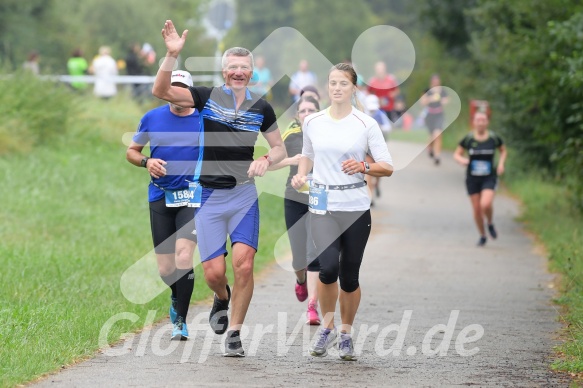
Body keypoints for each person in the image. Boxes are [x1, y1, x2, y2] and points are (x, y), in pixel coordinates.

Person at [152, 20, 286, 357]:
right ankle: (221, 297)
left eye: (245, 68)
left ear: (252, 74)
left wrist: (266, 160)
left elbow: (280, 148)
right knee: (214, 273)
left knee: (244, 264)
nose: (238, 72)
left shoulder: (262, 108)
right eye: (233, 67)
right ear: (224, 72)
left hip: (243, 194)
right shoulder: (207, 97)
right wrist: (171, 57)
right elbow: (162, 92)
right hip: (209, 196)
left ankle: (235, 334)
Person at [291, 63, 394, 361]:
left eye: (343, 84)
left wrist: (363, 166)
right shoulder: (314, 122)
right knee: (327, 269)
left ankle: (346, 333)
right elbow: (307, 156)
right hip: (322, 205)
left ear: (353, 88)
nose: (337, 88)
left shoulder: (366, 124)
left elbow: (387, 166)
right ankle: (327, 326)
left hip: (355, 208)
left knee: (349, 276)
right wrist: (301, 176)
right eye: (332, 83)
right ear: (327, 87)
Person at [126, 70, 200, 340]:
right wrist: (147, 161)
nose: (177, 92)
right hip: (160, 195)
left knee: (184, 257)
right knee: (166, 269)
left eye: (182, 88)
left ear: (191, 93)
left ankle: (180, 320)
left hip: (192, 197)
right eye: (172, 87)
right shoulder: (152, 117)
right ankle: (175, 297)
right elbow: (131, 152)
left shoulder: (204, 120)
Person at [268, 96, 322, 325]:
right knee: (299, 259)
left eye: (312, 110)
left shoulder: (327, 135)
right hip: (293, 199)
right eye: (303, 110)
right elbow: (271, 164)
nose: (307, 113)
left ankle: (312, 307)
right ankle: (300, 281)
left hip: (319, 200)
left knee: (314, 253)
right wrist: (291, 160)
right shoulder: (290, 135)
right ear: (297, 115)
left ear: (319, 112)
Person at [453, 111, 507, 247]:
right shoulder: (469, 139)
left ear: (487, 122)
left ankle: (489, 223)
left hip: (489, 177)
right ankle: (482, 235)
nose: (481, 122)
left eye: (483, 120)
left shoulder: (494, 138)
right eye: (478, 120)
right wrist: (462, 160)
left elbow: (503, 150)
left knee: (486, 204)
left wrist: (501, 164)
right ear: (474, 122)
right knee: (477, 209)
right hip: (472, 178)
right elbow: (456, 154)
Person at [364, 94, 391, 204]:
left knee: (379, 172)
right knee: (369, 172)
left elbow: (388, 127)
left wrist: (379, 127)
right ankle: (371, 197)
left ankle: (377, 185)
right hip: (367, 149)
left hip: (379, 148)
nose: (372, 111)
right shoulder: (363, 115)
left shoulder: (381, 114)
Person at [421, 74, 449, 165]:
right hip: (429, 115)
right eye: (434, 81)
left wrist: (443, 100)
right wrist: (431, 99)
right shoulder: (427, 91)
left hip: (439, 114)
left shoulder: (443, 91)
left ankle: (437, 156)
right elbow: (422, 102)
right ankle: (429, 148)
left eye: (437, 80)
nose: (436, 82)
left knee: (438, 134)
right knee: (431, 135)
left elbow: (447, 100)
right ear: (431, 82)